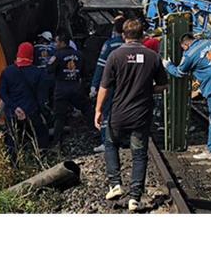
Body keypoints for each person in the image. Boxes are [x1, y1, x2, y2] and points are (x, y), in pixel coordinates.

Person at [95, 19, 166, 212]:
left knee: (111, 144)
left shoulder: (115, 55)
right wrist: (147, 89)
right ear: (143, 35)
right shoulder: (152, 57)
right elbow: (162, 85)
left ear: (124, 35)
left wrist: (98, 110)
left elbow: (104, 86)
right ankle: (135, 197)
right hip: (141, 114)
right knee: (139, 154)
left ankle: (115, 183)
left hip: (118, 113)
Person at [164, 31, 211, 159]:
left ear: (185, 45)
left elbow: (180, 73)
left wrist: (168, 65)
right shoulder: (208, 42)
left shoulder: (189, 55)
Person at [0, 42, 50, 159]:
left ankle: (12, 166)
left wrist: (15, 108)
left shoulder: (7, 71)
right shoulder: (39, 73)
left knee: (12, 141)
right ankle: (40, 160)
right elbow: (41, 98)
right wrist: (43, 113)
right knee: (41, 136)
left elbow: (2, 93)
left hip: (12, 113)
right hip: (31, 113)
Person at [90, 16, 127, 154]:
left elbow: (101, 66)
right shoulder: (130, 45)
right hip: (126, 84)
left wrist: (94, 85)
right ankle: (121, 138)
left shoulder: (109, 45)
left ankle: (107, 142)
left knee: (106, 112)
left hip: (111, 84)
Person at [47, 32, 88, 148]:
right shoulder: (79, 54)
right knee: (87, 109)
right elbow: (85, 72)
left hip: (61, 89)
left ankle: (57, 142)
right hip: (76, 87)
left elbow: (49, 69)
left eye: (57, 41)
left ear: (62, 42)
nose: (56, 44)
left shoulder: (57, 55)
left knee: (59, 116)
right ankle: (95, 130)